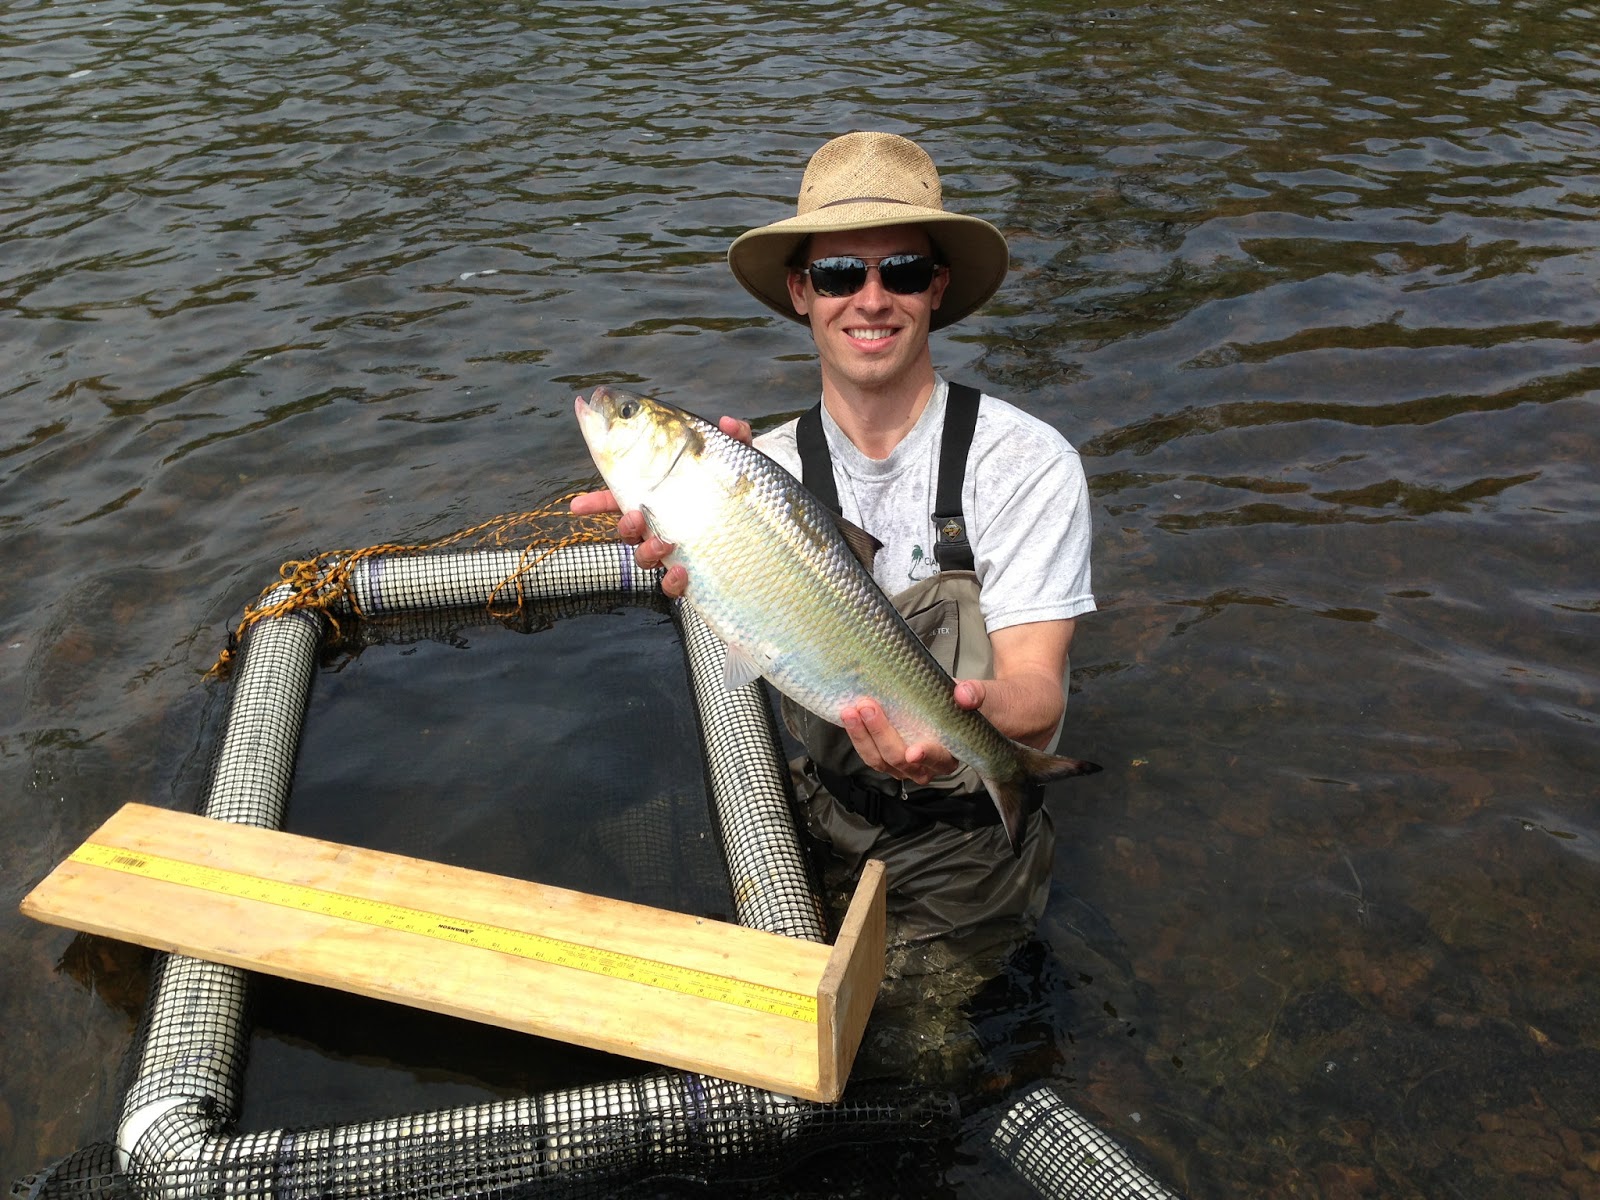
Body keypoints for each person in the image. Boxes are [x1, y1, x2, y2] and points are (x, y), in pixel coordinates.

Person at [574, 133, 1095, 1047]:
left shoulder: (1027, 463)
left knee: (888, 1055)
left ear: (937, 286)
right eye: (840, 273)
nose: (871, 297)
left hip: (963, 843)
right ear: (800, 294)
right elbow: (742, 628)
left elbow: (1040, 692)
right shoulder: (752, 467)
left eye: (900, 268)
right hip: (813, 799)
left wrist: (962, 725)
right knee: (606, 875)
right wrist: (680, 573)